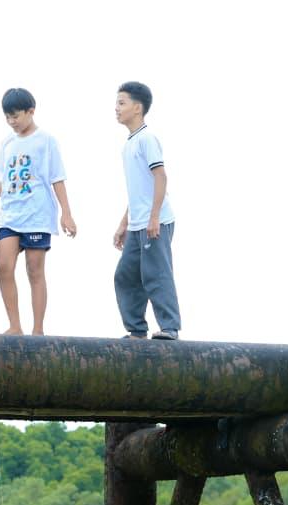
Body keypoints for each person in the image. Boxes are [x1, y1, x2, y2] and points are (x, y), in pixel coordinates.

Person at [0, 88, 76, 336]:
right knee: (4, 265)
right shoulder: (7, 143)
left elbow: (57, 178)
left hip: (37, 215)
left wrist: (67, 213)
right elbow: (6, 180)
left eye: (16, 116)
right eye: (7, 117)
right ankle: (14, 325)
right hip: (10, 215)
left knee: (34, 269)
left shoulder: (46, 140)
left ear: (31, 111)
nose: (11, 122)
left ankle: (38, 329)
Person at [113, 81, 181, 341]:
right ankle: (137, 330)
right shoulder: (129, 144)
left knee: (156, 274)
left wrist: (154, 217)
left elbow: (160, 177)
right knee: (126, 275)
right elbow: (138, 190)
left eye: (122, 103)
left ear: (137, 108)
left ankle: (170, 327)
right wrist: (123, 224)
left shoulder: (146, 139)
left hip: (156, 221)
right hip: (137, 224)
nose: (116, 108)